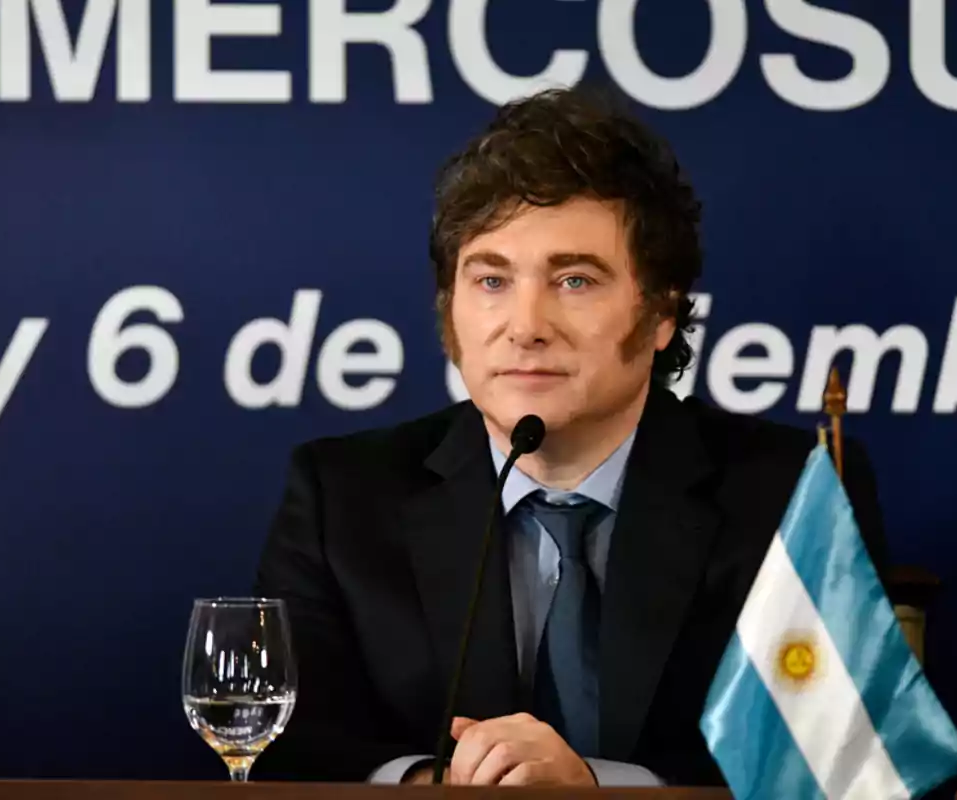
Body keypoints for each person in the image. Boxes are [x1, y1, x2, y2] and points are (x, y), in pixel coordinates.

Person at [251, 86, 889, 787]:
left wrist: (599, 788)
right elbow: (279, 739)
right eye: (491, 279)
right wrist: (424, 784)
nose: (525, 325)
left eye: (575, 280)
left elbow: (846, 763)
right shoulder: (342, 495)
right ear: (449, 313)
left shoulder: (791, 491)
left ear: (661, 316)